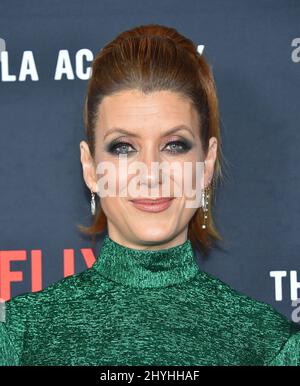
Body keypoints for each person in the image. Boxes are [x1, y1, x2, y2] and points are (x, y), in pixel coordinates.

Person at [1, 23, 300, 366]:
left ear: (206, 164)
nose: (151, 173)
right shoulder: (18, 337)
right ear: (90, 167)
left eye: (174, 145)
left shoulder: (271, 346)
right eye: (124, 147)